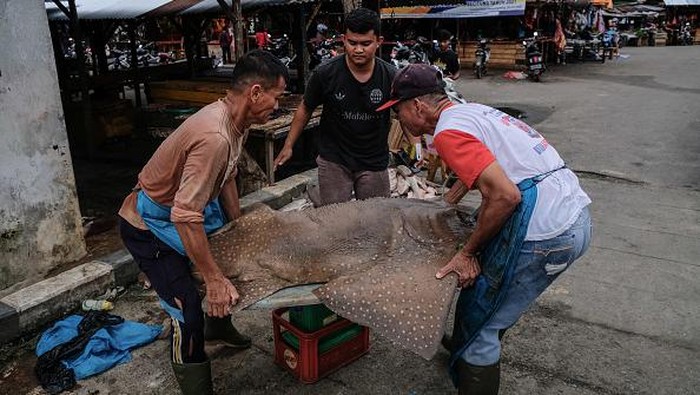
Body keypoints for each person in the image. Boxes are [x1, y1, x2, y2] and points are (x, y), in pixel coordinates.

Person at [377, 64, 592, 394]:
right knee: (487, 303)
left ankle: (476, 347)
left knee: (483, 327)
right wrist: (444, 205)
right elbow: (481, 171)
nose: (399, 120)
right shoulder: (470, 112)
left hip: (545, 231)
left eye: (399, 111)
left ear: (418, 106)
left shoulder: (448, 133)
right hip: (573, 214)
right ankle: (473, 336)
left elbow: (505, 196)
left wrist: (468, 252)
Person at [118, 50, 288, 395]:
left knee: (229, 261)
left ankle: (219, 327)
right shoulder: (215, 136)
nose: (278, 105)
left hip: (188, 208)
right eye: (277, 96)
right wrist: (212, 279)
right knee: (188, 306)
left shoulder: (237, 122)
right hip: (149, 222)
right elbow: (184, 214)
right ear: (255, 93)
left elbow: (227, 175)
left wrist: (237, 225)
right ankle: (196, 380)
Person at [273, 8, 397, 205]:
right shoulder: (325, 73)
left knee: (377, 219)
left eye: (366, 44)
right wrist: (288, 146)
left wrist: (417, 145)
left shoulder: (390, 76)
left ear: (379, 41)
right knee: (333, 219)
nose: (358, 49)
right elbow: (305, 108)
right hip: (335, 160)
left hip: (374, 160)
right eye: (352, 43)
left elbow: (404, 113)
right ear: (343, 39)